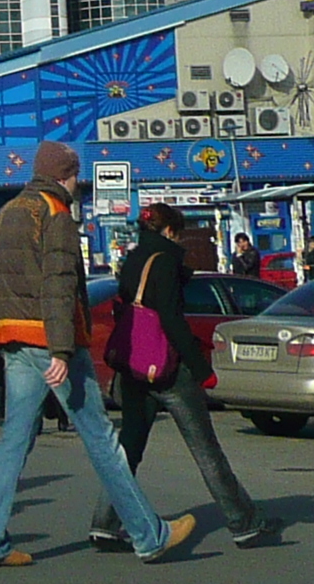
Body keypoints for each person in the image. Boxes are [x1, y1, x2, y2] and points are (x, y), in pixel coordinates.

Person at [0, 142, 195, 570]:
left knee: (14, 441)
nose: (79, 184)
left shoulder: (10, 211)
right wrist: (60, 348)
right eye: (76, 176)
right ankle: (150, 535)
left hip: (14, 334)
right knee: (101, 439)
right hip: (51, 341)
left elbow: (4, 280)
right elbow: (56, 285)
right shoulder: (55, 214)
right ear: (65, 175)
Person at [88, 208, 275, 551]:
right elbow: (171, 320)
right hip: (168, 370)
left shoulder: (133, 260)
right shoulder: (166, 262)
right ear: (172, 231)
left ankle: (105, 522)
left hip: (134, 366)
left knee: (128, 448)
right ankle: (244, 523)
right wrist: (201, 369)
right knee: (205, 450)